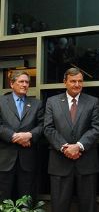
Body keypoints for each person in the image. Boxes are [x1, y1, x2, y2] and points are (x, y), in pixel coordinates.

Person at [44, 67, 99, 212]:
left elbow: (96, 127)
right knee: (59, 207)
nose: (77, 84)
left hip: (86, 162)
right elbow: (48, 128)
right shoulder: (52, 102)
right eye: (73, 81)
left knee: (88, 207)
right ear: (65, 82)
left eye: (80, 81)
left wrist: (79, 146)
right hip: (59, 163)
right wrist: (64, 147)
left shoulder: (93, 101)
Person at [0, 70, 43, 202]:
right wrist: (14, 137)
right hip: (5, 161)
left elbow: (43, 126)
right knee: (4, 199)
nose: (25, 85)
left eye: (27, 82)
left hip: (28, 160)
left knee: (27, 200)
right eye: (21, 81)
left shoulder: (37, 103)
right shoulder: (1, 101)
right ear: (12, 84)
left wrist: (29, 135)